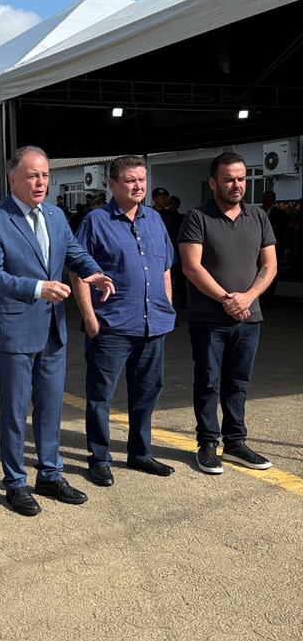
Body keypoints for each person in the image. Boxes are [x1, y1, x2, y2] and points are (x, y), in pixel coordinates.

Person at [0, 146, 115, 513]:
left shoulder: (54, 215)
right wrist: (38, 288)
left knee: (51, 406)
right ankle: (15, 482)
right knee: (15, 410)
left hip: (51, 330)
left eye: (45, 175)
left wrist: (92, 272)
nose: (41, 182)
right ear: (14, 179)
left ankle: (51, 474)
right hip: (13, 332)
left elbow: (73, 252)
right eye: (33, 175)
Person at [69, 156, 176, 486]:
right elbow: (78, 270)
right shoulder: (95, 222)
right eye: (130, 180)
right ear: (112, 184)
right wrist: (88, 317)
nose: (138, 186)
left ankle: (141, 453)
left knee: (147, 393)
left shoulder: (155, 220)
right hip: (112, 326)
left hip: (152, 325)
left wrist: (166, 307)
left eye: (142, 179)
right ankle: (99, 457)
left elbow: (165, 267)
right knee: (101, 395)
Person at [178, 151, 277, 474]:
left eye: (241, 179)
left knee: (238, 382)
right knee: (207, 381)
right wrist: (227, 300)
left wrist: (247, 298)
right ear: (212, 182)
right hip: (209, 318)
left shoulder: (259, 217)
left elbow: (270, 264)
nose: (237, 185)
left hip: (249, 317)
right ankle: (208, 444)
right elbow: (191, 268)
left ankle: (235, 442)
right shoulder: (197, 217)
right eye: (229, 179)